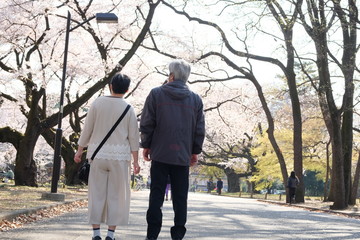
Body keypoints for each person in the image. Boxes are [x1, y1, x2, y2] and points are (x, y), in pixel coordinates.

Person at [140, 59, 205, 240]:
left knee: (156, 195)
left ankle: (152, 235)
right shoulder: (196, 99)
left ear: (171, 76)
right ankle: (177, 234)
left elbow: (147, 122)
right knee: (180, 197)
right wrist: (195, 151)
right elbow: (199, 129)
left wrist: (146, 145)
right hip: (182, 155)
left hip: (160, 153)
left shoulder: (156, 94)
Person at [74, 73, 140, 240]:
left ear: (110, 86)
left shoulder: (97, 103)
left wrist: (80, 150)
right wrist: (136, 162)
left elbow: (87, 129)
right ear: (127, 89)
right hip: (119, 157)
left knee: (96, 193)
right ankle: (110, 234)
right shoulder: (129, 108)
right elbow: (133, 137)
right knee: (117, 195)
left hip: (98, 155)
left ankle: (96, 233)